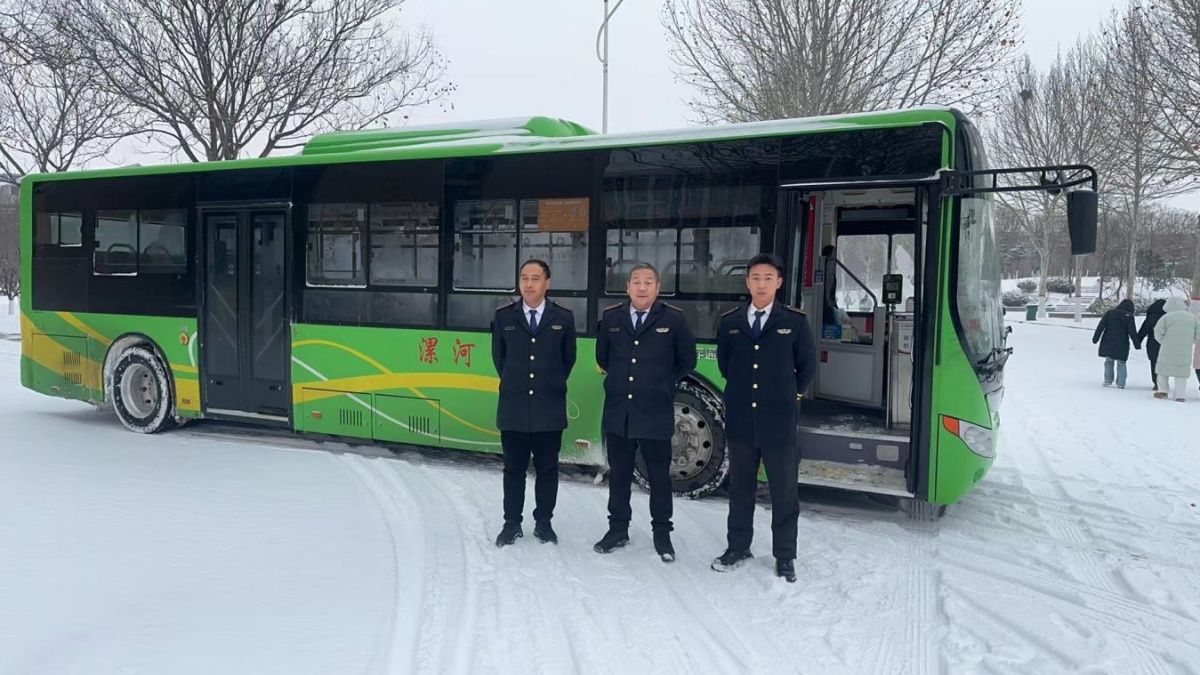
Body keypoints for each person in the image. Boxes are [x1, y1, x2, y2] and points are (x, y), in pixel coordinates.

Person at [711, 253, 816, 583]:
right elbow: (725, 365)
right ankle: (738, 547)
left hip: (778, 420)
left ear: (778, 283)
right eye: (755, 278)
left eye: (768, 278)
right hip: (742, 418)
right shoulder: (730, 322)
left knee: (783, 491)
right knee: (740, 489)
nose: (761, 284)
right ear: (747, 282)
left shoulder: (794, 322)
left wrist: (788, 397)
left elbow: (806, 367)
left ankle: (784, 556)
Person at [594, 262, 696, 563]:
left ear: (657, 288)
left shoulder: (674, 319)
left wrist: (661, 383)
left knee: (659, 477)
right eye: (636, 282)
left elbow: (687, 360)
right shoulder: (612, 317)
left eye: (648, 282)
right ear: (627, 287)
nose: (642, 287)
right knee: (619, 474)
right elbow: (603, 357)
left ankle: (662, 533)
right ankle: (617, 529)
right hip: (620, 411)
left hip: (655, 411)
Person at [491, 259, 577, 547]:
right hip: (514, 408)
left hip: (549, 409)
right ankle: (511, 524)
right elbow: (500, 359)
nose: (528, 284)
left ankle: (544, 523)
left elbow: (568, 360)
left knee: (547, 469)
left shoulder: (563, 318)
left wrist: (546, 384)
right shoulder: (504, 317)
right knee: (513, 470)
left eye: (535, 278)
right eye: (524, 278)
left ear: (547, 283)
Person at [1152, 297, 1200, 402]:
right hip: (1185, 349)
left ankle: (1162, 391)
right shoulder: (1192, 318)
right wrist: (1190, 341)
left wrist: (1163, 341)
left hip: (1167, 348)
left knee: (1163, 370)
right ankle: (1180, 395)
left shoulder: (1166, 317)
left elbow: (1157, 331)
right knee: (1181, 372)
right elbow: (1198, 332)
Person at [1091, 299, 1140, 389]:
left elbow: (1101, 326)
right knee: (1121, 362)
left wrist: (1095, 338)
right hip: (1123, 342)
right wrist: (1137, 344)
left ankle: (1108, 380)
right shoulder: (1129, 316)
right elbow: (1132, 332)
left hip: (1108, 341)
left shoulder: (1110, 313)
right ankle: (1121, 383)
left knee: (1109, 360)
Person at [1137, 299, 1167, 390]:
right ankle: (1164, 382)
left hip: (1152, 344)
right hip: (1165, 344)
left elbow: (1143, 330)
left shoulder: (1151, 318)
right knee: (1164, 363)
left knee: (1154, 363)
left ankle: (1156, 382)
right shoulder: (1168, 317)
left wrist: (1137, 342)